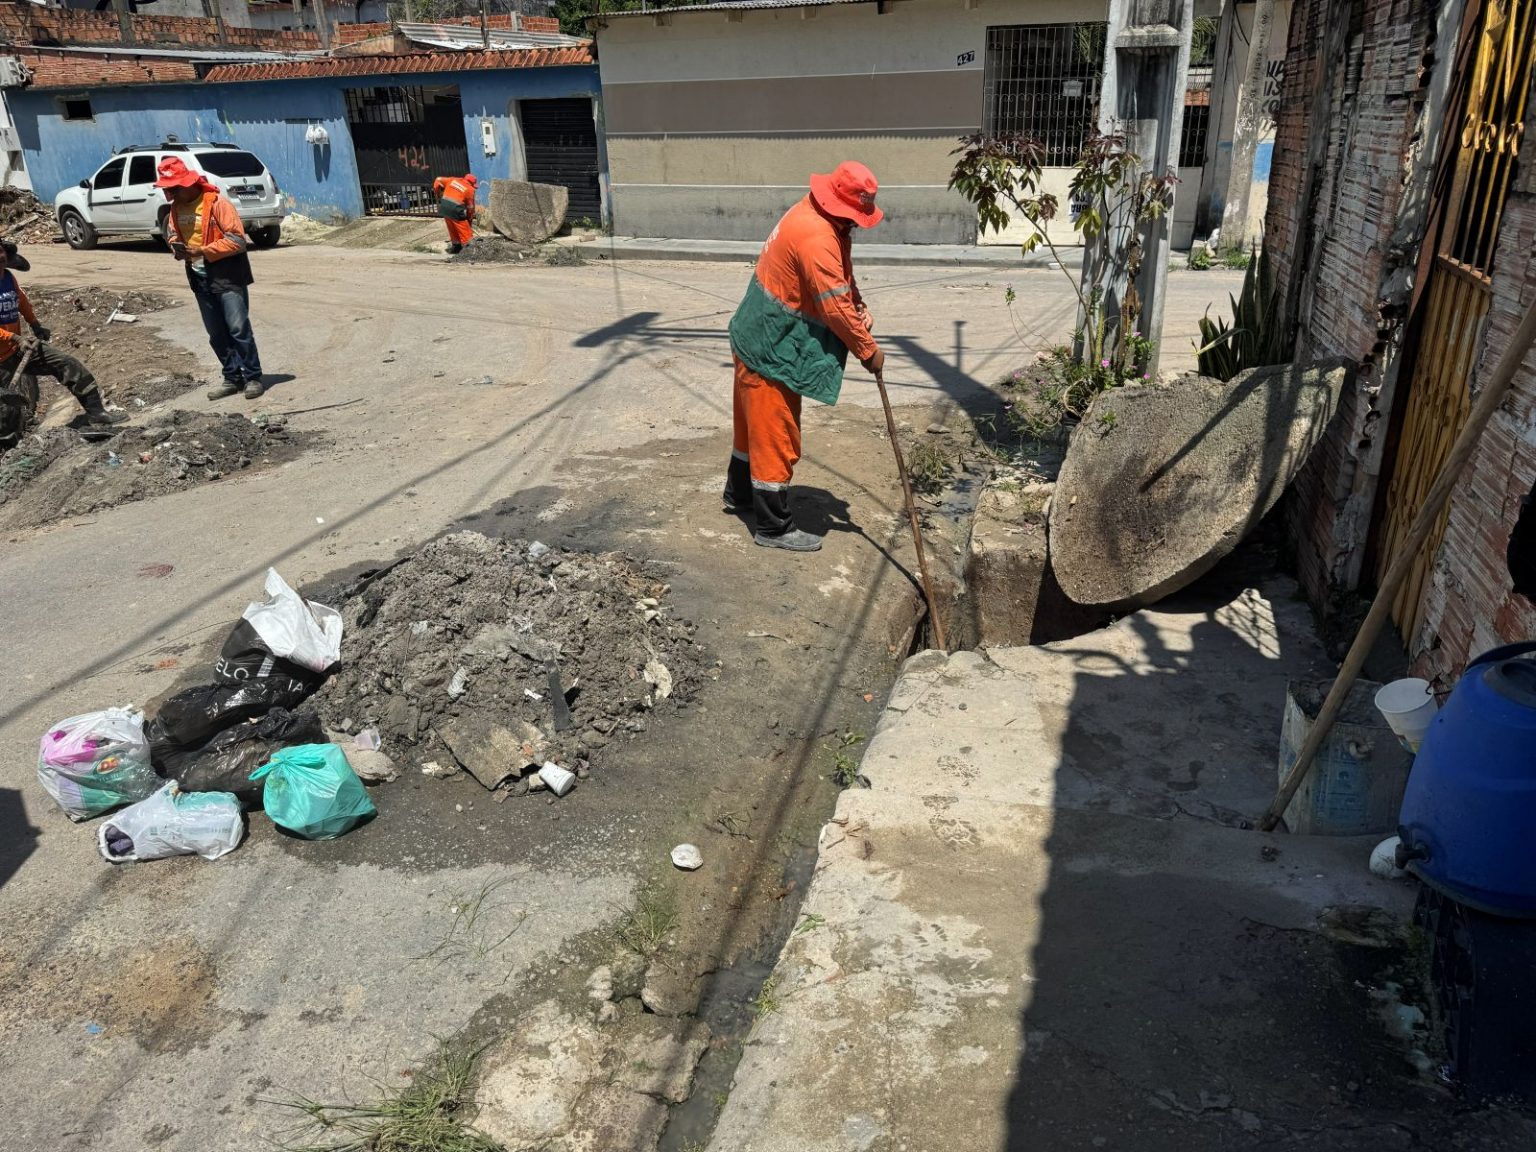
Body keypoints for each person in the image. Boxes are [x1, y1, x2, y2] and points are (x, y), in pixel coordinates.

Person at [724, 162, 885, 552]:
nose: (856, 224)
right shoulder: (817, 236)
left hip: (756, 333)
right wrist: (868, 350)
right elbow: (833, 305)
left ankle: (738, 494)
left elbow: (841, 280)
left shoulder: (814, 215)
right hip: (770, 346)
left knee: (750, 430)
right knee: (775, 435)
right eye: (854, 216)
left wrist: (859, 305)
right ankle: (774, 527)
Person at [156, 157, 265, 401]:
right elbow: (172, 234)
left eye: (173, 189)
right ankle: (232, 378)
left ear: (187, 184)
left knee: (237, 328)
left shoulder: (217, 203)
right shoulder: (176, 208)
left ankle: (253, 377)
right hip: (199, 276)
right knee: (216, 333)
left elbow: (237, 241)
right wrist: (176, 247)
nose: (169, 194)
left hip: (227, 274)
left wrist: (202, 251)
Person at [0, 237, 125, 428]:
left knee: (66, 364)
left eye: (1, 251)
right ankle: (11, 441)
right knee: (6, 407)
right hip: (4, 354)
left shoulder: (8, 278)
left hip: (15, 349)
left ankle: (96, 413)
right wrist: (15, 337)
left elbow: (21, 302)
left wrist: (35, 324)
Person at [434, 173, 478, 254]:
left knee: (452, 227)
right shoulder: (470, 189)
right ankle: (469, 250)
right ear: (471, 183)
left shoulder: (453, 180)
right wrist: (469, 221)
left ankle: (456, 247)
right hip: (456, 208)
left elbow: (438, 179)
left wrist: (438, 193)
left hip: (444, 206)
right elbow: (470, 208)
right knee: (465, 231)